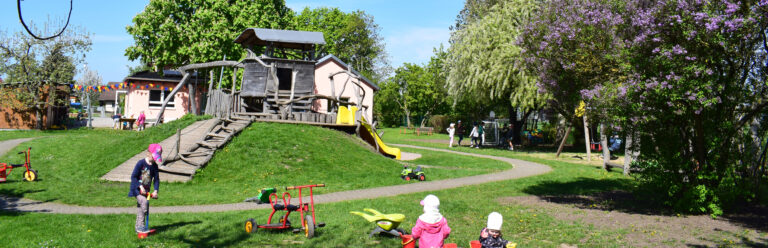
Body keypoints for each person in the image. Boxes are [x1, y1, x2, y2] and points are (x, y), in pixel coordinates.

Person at [129, 144, 161, 237]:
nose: (155, 159)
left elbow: (157, 179)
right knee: (144, 204)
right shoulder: (140, 163)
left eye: (156, 158)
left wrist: (155, 190)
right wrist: (140, 186)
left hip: (147, 191)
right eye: (154, 157)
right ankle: (142, 226)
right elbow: (133, 176)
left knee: (140, 209)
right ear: (148, 154)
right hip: (137, 189)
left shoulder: (154, 167)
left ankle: (138, 227)